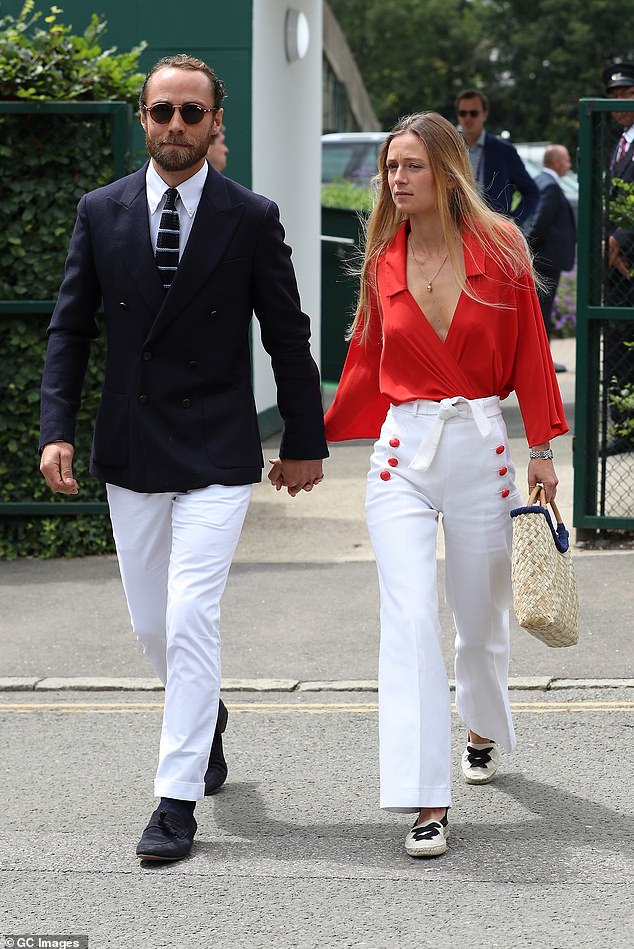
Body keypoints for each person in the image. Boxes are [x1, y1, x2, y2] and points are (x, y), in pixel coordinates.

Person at [39, 53, 327, 862]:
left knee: (191, 613)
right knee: (151, 623)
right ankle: (209, 715)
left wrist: (304, 439)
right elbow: (69, 330)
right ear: (143, 116)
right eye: (162, 111)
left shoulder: (250, 214)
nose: (175, 126)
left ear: (214, 124)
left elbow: (286, 332)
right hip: (130, 444)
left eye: (191, 114)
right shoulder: (101, 211)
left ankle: (174, 800)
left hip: (217, 445)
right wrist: (53, 427)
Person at [324, 112, 567, 858]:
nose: (396, 179)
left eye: (412, 167)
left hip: (481, 448)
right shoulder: (380, 260)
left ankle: (482, 723)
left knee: (479, 617)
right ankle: (427, 796)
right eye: (390, 167)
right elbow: (365, 361)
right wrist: (311, 441)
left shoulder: (501, 248)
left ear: (448, 171)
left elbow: (529, 347)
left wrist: (544, 447)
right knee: (408, 622)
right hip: (401, 455)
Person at [602, 62, 634, 454]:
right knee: (616, 350)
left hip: (627, 257)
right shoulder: (618, 142)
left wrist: (621, 240)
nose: (620, 102)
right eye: (614, 96)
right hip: (617, 269)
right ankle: (623, 428)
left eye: (627, 93)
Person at [456, 88, 539, 231]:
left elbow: (531, 192)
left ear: (484, 115)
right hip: (457, 229)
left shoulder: (503, 151)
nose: (468, 118)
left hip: (492, 232)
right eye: (463, 113)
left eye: (474, 113)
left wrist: (514, 223)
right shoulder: (450, 149)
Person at [529, 144, 576, 373]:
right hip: (545, 261)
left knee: (539, 310)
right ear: (556, 162)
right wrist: (528, 250)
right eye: (566, 160)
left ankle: (540, 358)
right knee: (543, 311)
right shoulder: (550, 186)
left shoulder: (540, 182)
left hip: (542, 260)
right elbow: (539, 223)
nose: (569, 164)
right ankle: (543, 361)